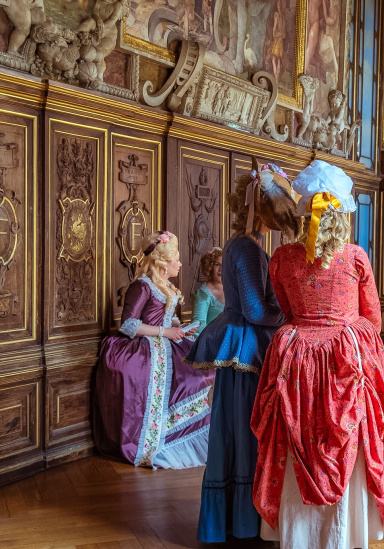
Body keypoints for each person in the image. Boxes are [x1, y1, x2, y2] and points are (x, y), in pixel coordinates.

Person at [251, 159, 384, 547]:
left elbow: (286, 307)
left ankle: (297, 532)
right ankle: (347, 531)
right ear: (342, 213)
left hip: (295, 354)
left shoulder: (282, 257)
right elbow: (373, 318)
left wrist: (309, 325)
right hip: (346, 356)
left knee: (296, 433)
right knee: (348, 435)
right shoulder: (355, 256)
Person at [186, 160, 300, 543]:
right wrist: (290, 314)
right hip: (247, 345)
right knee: (247, 430)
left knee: (233, 430)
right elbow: (254, 310)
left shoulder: (239, 244)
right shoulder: (248, 249)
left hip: (240, 343)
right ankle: (246, 520)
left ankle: (230, 520)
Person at [94, 231, 213, 469]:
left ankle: (182, 433)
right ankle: (160, 438)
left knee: (204, 370)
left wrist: (180, 327)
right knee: (188, 375)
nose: (180, 263)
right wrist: (165, 332)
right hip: (145, 346)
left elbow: (168, 319)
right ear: (163, 263)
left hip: (166, 341)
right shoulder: (142, 286)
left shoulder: (166, 286)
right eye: (176, 259)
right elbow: (128, 325)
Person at [191, 247, 225, 336]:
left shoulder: (234, 289)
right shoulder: (203, 294)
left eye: (225, 264)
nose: (221, 269)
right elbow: (198, 326)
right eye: (217, 264)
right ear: (210, 267)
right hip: (212, 340)